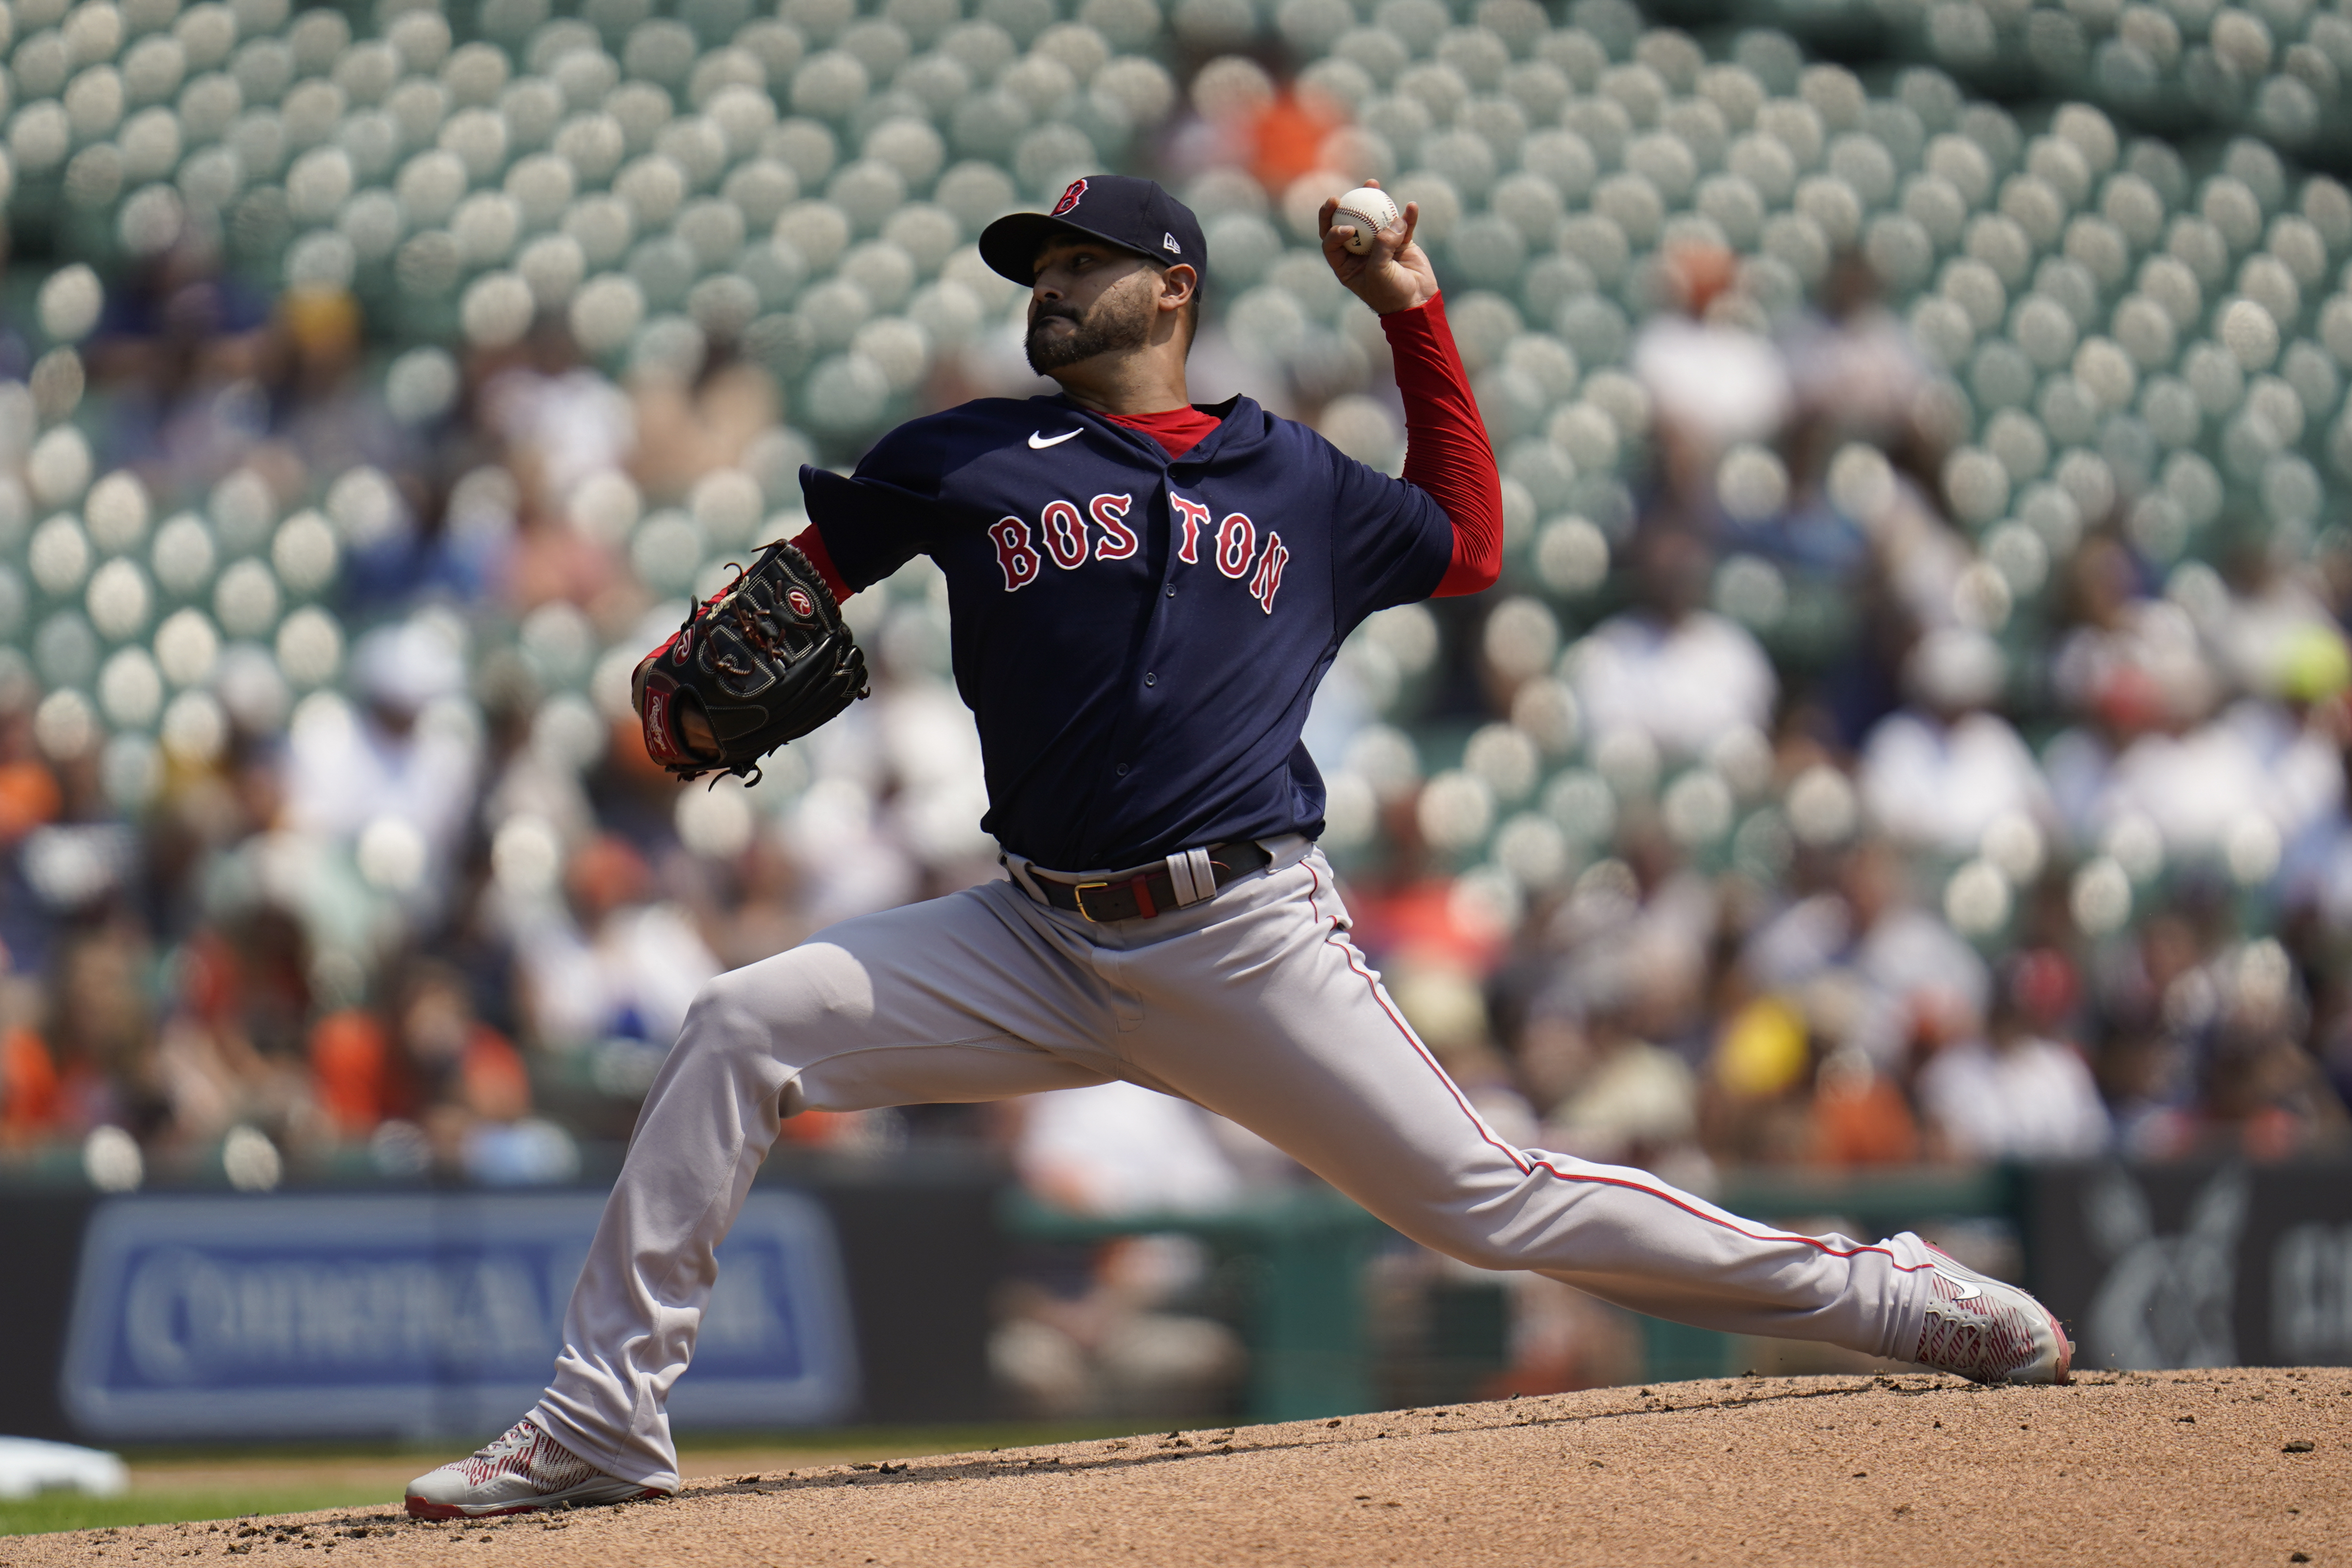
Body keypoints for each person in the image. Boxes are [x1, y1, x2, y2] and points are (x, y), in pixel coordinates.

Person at [406, 175, 2072, 1519]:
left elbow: (1472, 541)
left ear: (1171, 289)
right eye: (1037, 264)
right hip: (1034, 938)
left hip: (1244, 938)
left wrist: (1411, 315)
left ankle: (1887, 1294)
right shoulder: (968, 455)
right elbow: (784, 590)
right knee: (737, 1022)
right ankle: (602, 1419)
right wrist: (691, 693)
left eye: (1082, 261)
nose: (1047, 285)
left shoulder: (1296, 476)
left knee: (1494, 1205)